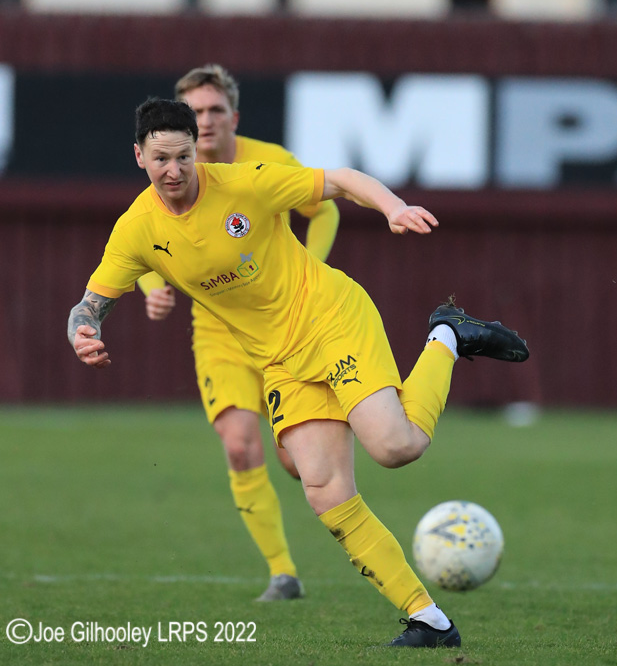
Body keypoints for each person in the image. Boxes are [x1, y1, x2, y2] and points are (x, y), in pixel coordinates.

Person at [68, 97, 529, 648]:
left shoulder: (244, 184)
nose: (173, 171)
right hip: (280, 361)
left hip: (330, 319)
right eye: (161, 158)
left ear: (198, 152)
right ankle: (428, 620)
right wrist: (84, 331)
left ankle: (447, 334)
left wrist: (392, 207)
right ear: (139, 155)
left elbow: (339, 181)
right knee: (325, 491)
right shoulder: (136, 229)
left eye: (184, 157)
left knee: (395, 447)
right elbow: (91, 302)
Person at [137, 64, 340, 602]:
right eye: (194, 112)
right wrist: (152, 286)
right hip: (220, 330)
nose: (204, 121)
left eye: (213, 111)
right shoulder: (173, 171)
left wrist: (311, 269)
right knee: (238, 444)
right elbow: (144, 238)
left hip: (283, 325)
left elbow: (324, 211)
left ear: (233, 117)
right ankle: (282, 573)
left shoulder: (268, 161)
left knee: (296, 461)